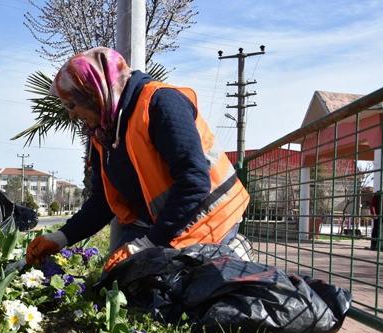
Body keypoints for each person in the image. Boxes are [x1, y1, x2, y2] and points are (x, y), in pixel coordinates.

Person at [26, 47, 249, 272]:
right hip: (162, 222)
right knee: (118, 281)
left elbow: (194, 181)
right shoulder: (104, 133)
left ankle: (232, 253)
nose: (72, 115)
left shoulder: (160, 103)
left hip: (207, 216)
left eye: (72, 106)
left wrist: (147, 244)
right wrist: (61, 237)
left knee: (177, 292)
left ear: (93, 93)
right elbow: (103, 201)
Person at [369, 179, 383, 251]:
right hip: (378, 214)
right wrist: (374, 214)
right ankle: (373, 245)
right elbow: (372, 204)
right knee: (376, 229)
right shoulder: (378, 194)